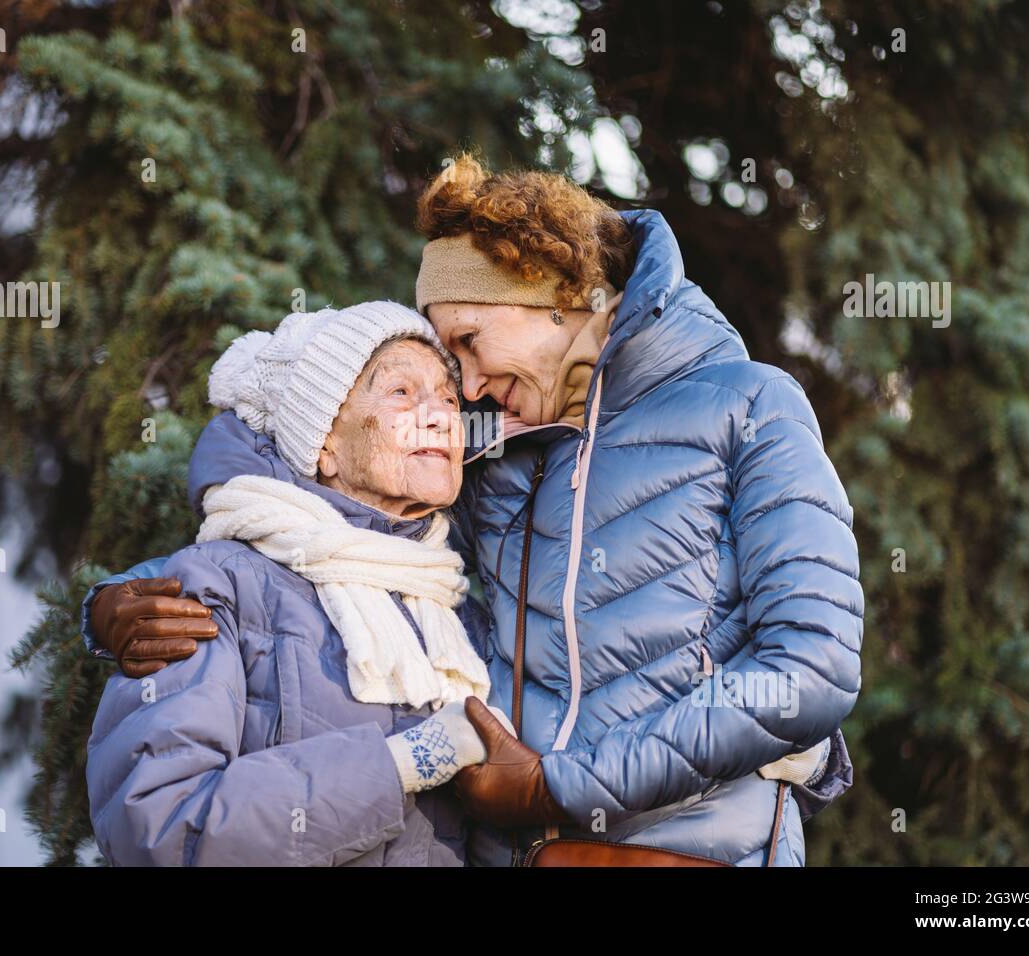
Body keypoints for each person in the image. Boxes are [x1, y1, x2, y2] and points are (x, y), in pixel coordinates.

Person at [89, 155, 860, 866]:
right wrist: (127, 603)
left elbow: (812, 665)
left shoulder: (749, 406)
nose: (465, 386)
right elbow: (315, 496)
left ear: (552, 292)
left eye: (466, 341)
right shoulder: (499, 443)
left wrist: (561, 786)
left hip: (692, 853)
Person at [86, 301, 512, 866]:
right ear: (324, 445)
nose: (438, 416)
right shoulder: (216, 588)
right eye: (401, 394)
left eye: (449, 398)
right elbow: (160, 828)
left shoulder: (458, 615)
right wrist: (405, 762)